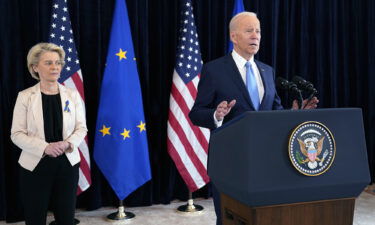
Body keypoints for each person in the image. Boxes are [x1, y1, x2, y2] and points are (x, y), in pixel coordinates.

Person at [189, 12, 318, 225]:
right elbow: (196, 113)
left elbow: (273, 114)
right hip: (229, 162)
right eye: (249, 31)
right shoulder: (214, 70)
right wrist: (216, 114)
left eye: (258, 31)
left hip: (264, 161)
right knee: (230, 219)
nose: (255, 36)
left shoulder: (267, 71)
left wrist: (295, 113)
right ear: (233, 37)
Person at [10, 42, 87, 225]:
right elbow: (16, 134)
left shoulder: (72, 95)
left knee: (66, 218)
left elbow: (81, 128)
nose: (55, 67)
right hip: (35, 164)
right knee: (35, 218)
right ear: (35, 67)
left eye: (58, 63)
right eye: (48, 63)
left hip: (67, 163)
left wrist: (67, 144)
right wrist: (45, 147)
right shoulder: (25, 96)